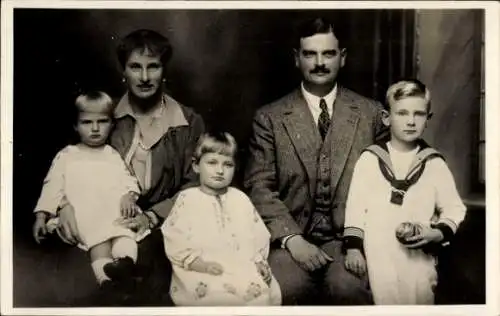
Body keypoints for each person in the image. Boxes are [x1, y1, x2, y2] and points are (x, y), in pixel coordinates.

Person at [53, 29, 205, 305]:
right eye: (135, 67)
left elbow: (195, 184)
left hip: (164, 226)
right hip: (102, 224)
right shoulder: (102, 117)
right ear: (123, 71)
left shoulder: (189, 122)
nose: (145, 77)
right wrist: (64, 205)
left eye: (153, 67)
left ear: (164, 70)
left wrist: (152, 217)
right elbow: (72, 164)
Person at [243, 16, 387, 305]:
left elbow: (389, 181)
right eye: (310, 54)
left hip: (349, 244)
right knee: (280, 290)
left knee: (350, 290)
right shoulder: (269, 118)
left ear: (342, 58)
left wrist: (356, 240)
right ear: (297, 59)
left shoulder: (371, 114)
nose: (319, 62)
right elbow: (259, 186)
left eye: (328, 53)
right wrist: (292, 239)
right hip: (291, 240)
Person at [342, 79, 466, 304]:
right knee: (383, 300)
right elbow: (356, 207)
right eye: (402, 113)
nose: (411, 121)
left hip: (419, 256)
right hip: (378, 252)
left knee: (420, 298)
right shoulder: (370, 159)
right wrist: (353, 248)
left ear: (428, 119)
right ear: (386, 118)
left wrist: (437, 233)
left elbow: (455, 208)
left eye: (419, 114)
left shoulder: (434, 163)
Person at [32, 91, 143, 293]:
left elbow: (128, 178)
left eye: (102, 122)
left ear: (111, 124)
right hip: (86, 215)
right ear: (75, 125)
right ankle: (106, 283)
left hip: (113, 211)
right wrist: (41, 215)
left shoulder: (112, 154)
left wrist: (129, 195)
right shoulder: (67, 155)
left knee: (125, 235)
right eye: (86, 122)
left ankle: (125, 267)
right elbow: (52, 185)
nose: (95, 128)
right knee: (99, 242)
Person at [162, 132, 281, 306]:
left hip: (239, 265)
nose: (220, 171)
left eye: (228, 165)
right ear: (196, 165)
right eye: (212, 163)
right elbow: (174, 235)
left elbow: (257, 234)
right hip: (201, 267)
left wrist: (259, 261)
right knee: (216, 296)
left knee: (262, 294)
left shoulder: (240, 199)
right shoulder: (187, 199)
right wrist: (198, 263)